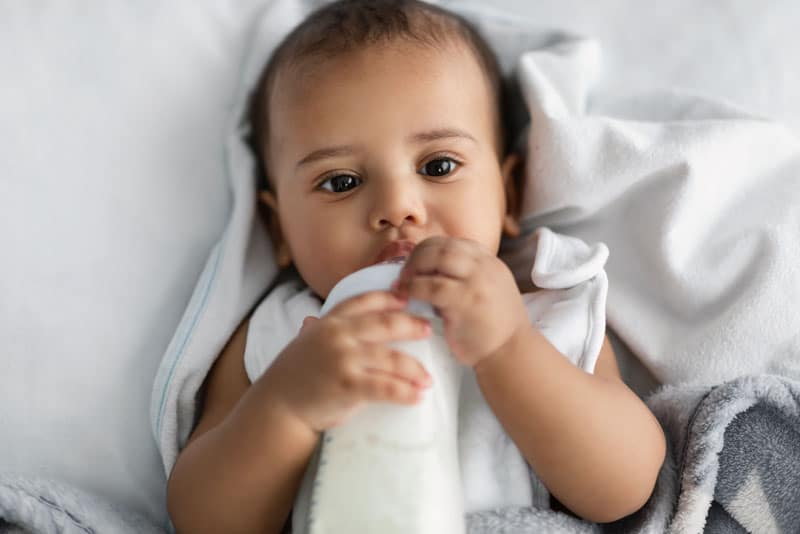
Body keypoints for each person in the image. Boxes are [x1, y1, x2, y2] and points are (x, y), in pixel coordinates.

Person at [166, 1, 666, 532]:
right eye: (341, 182)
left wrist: (509, 348)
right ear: (280, 230)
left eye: (438, 166)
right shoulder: (282, 337)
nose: (398, 206)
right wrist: (287, 407)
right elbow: (201, 519)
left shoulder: (545, 308)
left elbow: (626, 487)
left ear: (510, 195)